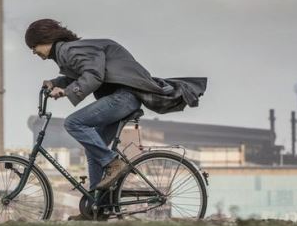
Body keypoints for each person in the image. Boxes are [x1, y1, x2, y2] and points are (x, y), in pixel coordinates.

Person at [24, 18, 207, 192]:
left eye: (34, 46)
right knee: (94, 148)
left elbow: (94, 75)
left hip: (124, 97)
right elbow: (81, 74)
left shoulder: (68, 50)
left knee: (73, 122)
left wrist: (67, 91)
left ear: (45, 39)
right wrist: (56, 82)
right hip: (123, 97)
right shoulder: (69, 52)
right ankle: (96, 207)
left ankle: (113, 163)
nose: (33, 52)